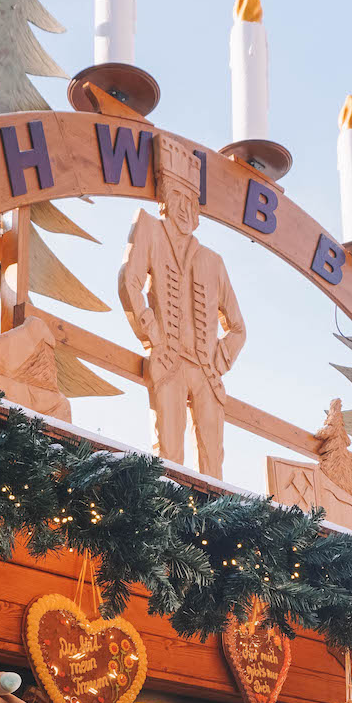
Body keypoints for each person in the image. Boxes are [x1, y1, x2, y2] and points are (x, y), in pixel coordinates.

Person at [118, 134, 246, 478]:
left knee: (213, 468)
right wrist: (154, 336)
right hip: (169, 362)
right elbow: (129, 282)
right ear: (164, 199)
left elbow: (237, 328)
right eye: (177, 197)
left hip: (205, 373)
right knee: (169, 460)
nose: (185, 208)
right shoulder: (150, 231)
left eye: (192, 200)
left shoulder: (213, 261)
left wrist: (217, 360)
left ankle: (215, 529)